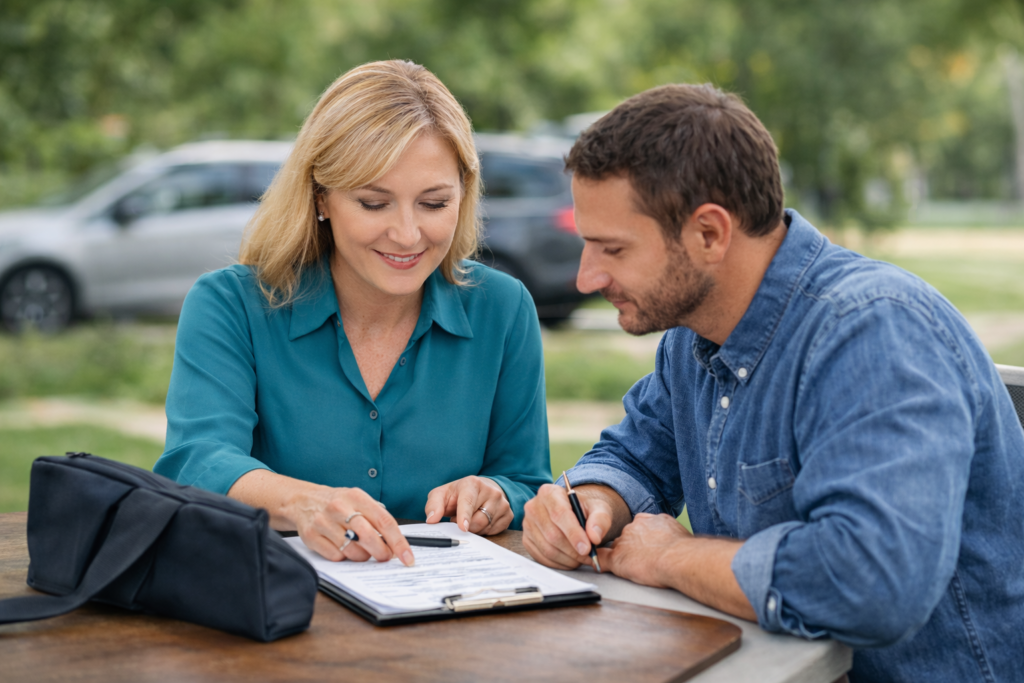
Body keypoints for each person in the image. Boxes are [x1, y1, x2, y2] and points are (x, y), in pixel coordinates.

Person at [521, 84, 1024, 682]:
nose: (585, 278)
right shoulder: (695, 333)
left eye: (613, 248)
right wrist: (589, 506)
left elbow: (871, 585)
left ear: (709, 234)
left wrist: (673, 557)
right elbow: (635, 455)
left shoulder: (873, 333)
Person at [155, 60, 550, 568]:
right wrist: (303, 503)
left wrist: (497, 496)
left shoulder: (504, 308)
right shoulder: (230, 306)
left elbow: (526, 481)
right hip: (275, 610)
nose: (407, 235)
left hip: (448, 617)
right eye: (373, 203)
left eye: (433, 204)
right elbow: (195, 462)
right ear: (322, 196)